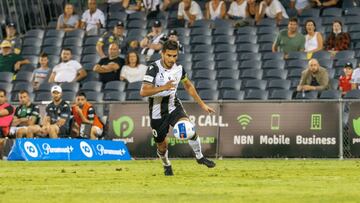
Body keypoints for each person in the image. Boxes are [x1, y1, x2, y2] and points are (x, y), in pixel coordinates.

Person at [140, 40, 216, 176]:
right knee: (162, 146)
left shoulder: (179, 69)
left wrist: (202, 105)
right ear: (163, 54)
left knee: (188, 128)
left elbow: (188, 86)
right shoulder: (153, 68)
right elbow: (144, 92)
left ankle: (199, 157)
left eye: (175, 56)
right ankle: (166, 164)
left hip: (173, 106)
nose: (172, 59)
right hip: (157, 112)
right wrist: (164, 87)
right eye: (169, 55)